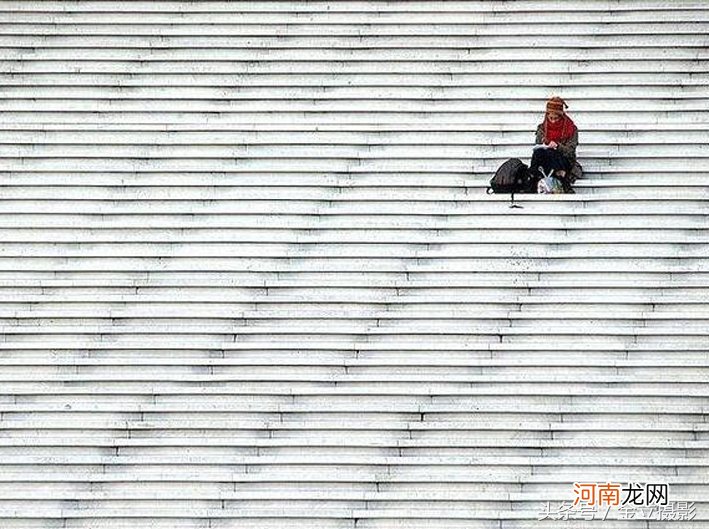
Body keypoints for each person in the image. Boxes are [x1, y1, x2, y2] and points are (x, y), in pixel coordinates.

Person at [531, 96, 583, 193]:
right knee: (538, 153)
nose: (553, 121)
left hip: (563, 161)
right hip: (545, 160)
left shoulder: (571, 129)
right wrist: (544, 143)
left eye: (556, 118)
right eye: (550, 118)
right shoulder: (542, 128)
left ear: (561, 116)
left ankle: (563, 181)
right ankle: (532, 180)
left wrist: (558, 146)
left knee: (552, 153)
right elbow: (538, 145)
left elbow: (570, 152)